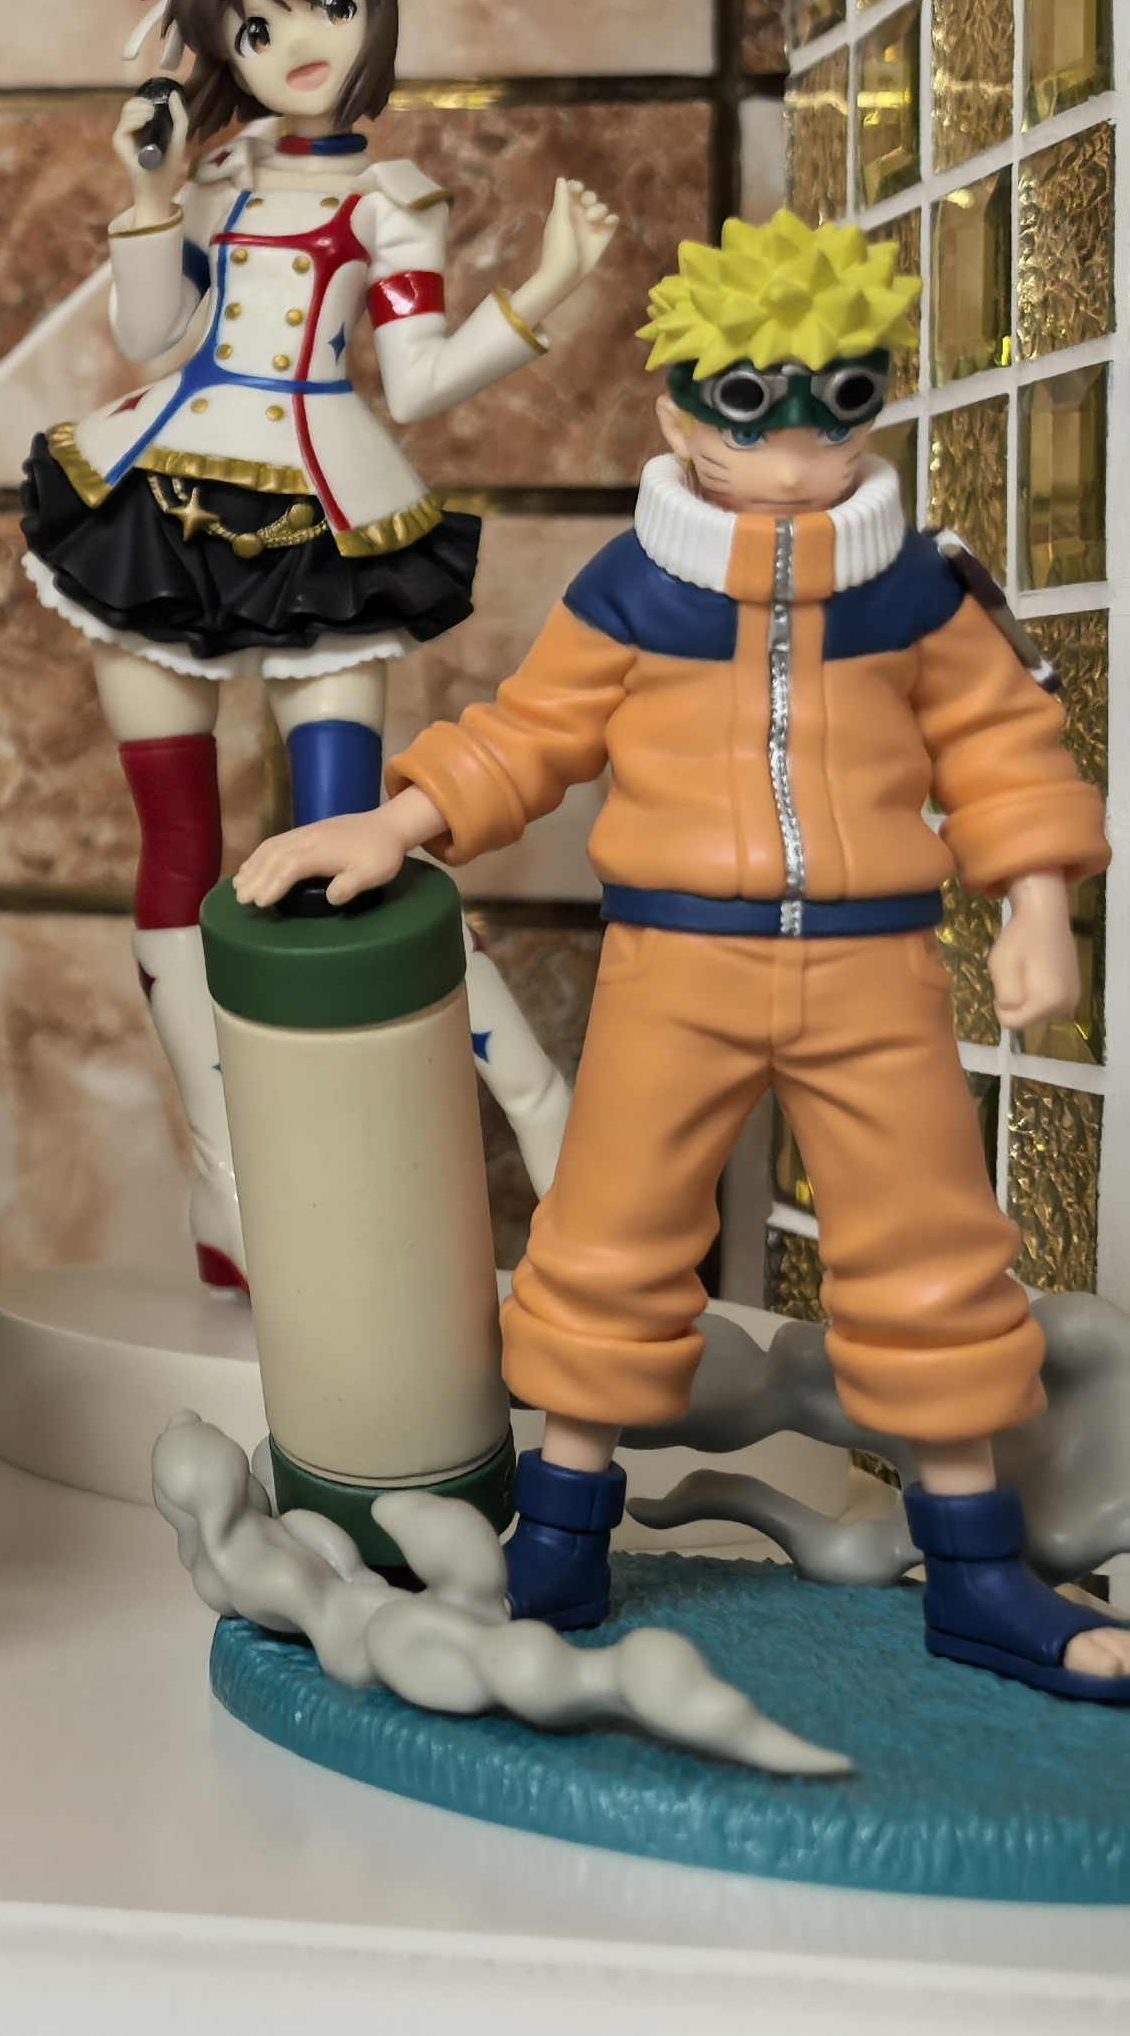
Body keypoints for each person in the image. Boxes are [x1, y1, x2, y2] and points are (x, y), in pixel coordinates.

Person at [238, 209, 1126, 1703]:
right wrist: (397, 821)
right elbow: (530, 735)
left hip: (874, 969)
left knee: (930, 1250)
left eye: (839, 400)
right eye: (748, 404)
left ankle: (979, 1572)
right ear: (678, 416)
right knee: (608, 1235)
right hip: (675, 964)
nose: (794, 448)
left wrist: (1036, 899)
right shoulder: (634, 590)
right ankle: (560, 1541)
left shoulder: (917, 589)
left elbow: (1002, 746)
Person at [28, 0, 614, 1288]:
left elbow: (417, 382)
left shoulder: (389, 202)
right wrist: (151, 198)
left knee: (354, 846)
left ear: (375, 17)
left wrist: (543, 292)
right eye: (256, 24)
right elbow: (154, 334)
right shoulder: (216, 178)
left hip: (326, 517)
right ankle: (230, 1182)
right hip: (158, 498)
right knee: (178, 841)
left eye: (330, 8)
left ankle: (536, 1108)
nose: (297, 43)